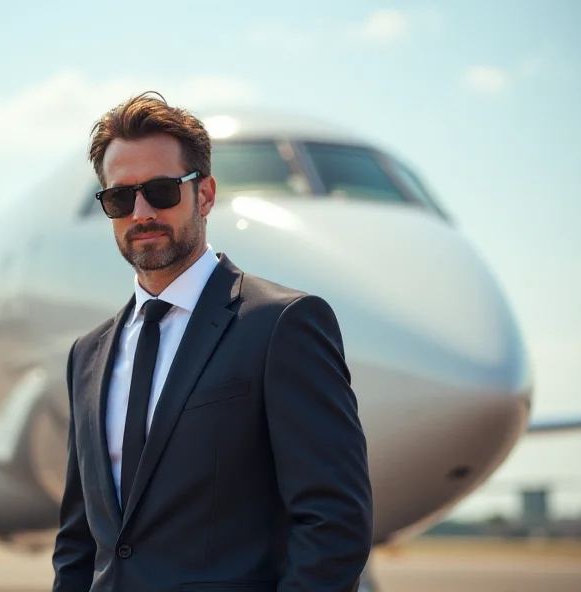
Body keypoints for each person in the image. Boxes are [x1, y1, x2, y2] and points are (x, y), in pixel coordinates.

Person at [52, 92, 373, 591]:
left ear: (204, 194)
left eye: (161, 191)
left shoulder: (282, 325)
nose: (141, 213)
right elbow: (79, 542)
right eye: (119, 198)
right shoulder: (88, 356)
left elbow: (334, 525)